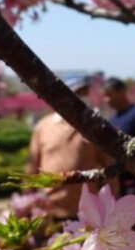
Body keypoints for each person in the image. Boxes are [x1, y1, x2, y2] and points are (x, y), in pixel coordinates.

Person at [27, 79, 111, 220]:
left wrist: (109, 204)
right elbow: (32, 166)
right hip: (51, 211)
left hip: (88, 214)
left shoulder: (95, 127)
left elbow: (109, 167)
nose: (82, 97)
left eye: (85, 93)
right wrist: (29, 201)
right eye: (78, 93)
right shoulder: (43, 127)